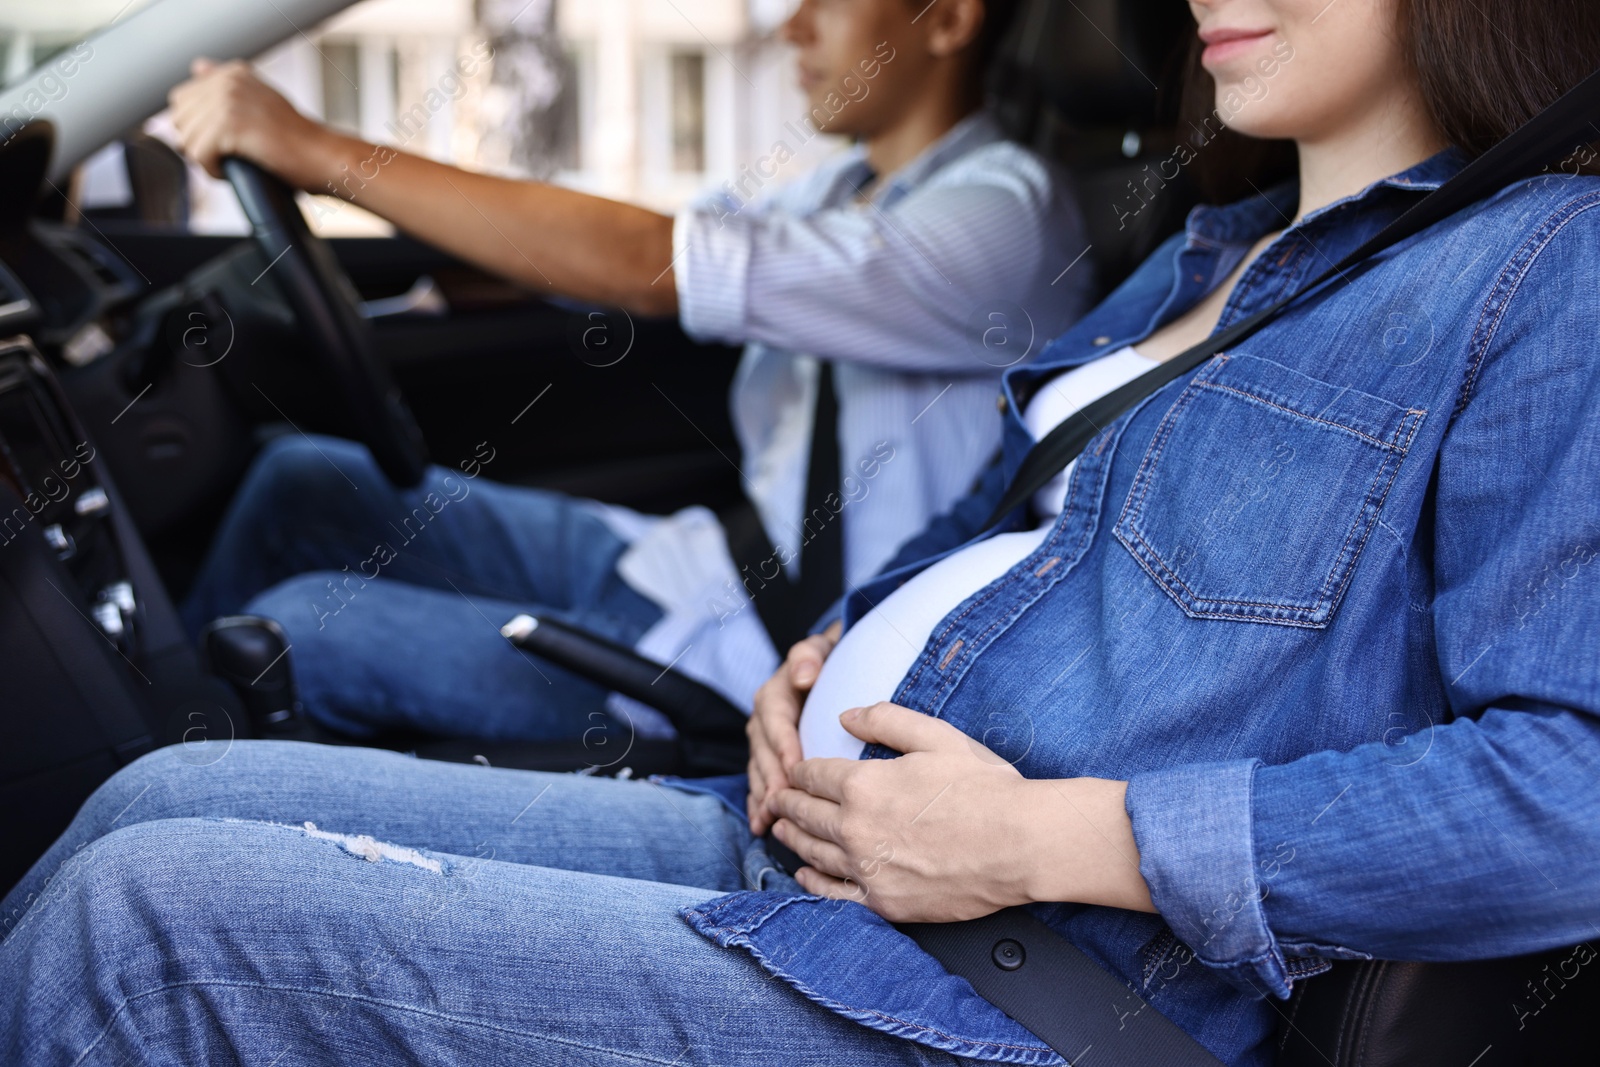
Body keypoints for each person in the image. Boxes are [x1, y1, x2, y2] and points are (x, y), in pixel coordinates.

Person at [6, 1, 1600, 1065]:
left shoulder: (1547, 267)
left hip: (1004, 974)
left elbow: (1573, 795)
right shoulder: (1221, 253)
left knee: (141, 924)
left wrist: (1040, 839)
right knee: (163, 792)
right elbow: (1011, 538)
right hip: (805, 829)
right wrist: (822, 662)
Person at [170, 0, 1093, 744]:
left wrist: (321, 152)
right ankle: (138, 729)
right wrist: (432, 294)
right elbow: (600, 254)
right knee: (300, 482)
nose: (792, 25)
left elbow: (649, 259)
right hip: (694, 562)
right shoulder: (835, 189)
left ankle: (151, 772)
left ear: (947, 19)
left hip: (758, 654)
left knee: (296, 633)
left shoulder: (1005, 216)